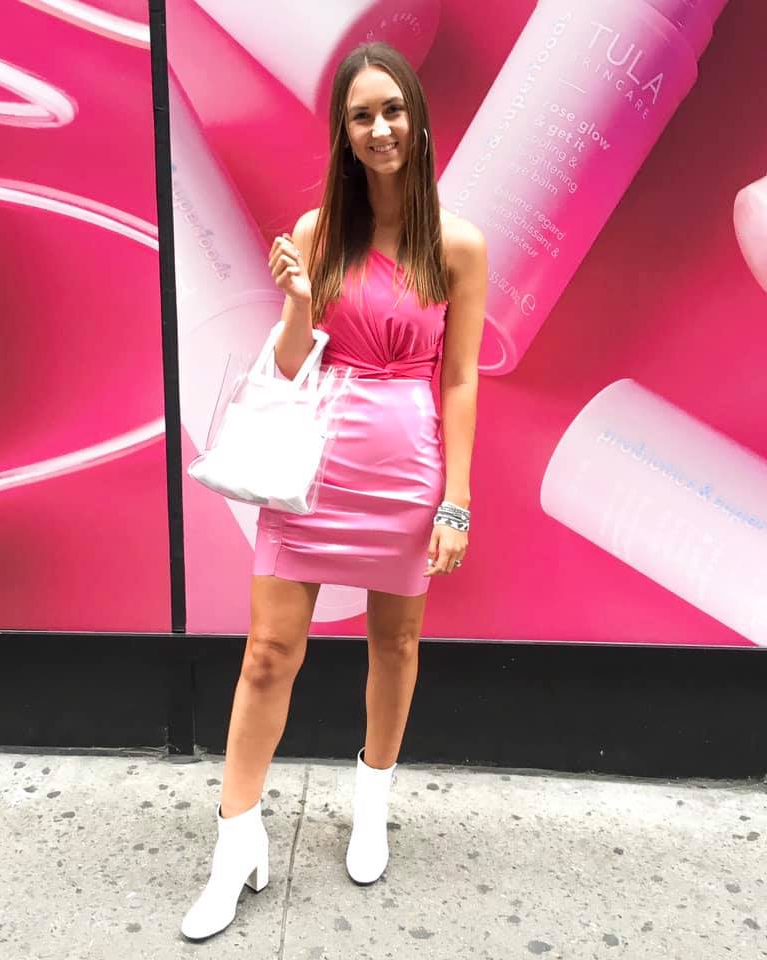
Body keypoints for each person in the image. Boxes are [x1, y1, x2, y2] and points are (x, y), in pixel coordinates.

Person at [181, 41, 487, 941]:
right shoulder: (317, 232)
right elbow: (287, 364)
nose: (381, 127)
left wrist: (456, 501)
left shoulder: (458, 243)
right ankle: (234, 845)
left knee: (395, 648)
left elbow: (461, 378)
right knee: (268, 653)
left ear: (418, 119)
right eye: (362, 115)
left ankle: (371, 800)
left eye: (393, 110)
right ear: (345, 134)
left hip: (406, 473)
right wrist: (296, 301)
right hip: (311, 469)